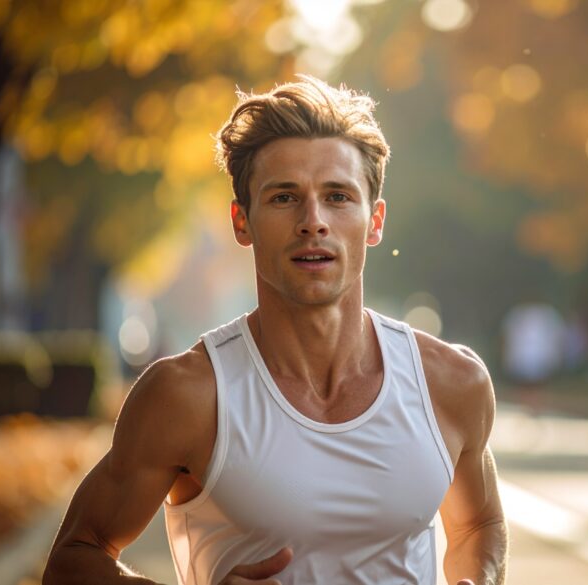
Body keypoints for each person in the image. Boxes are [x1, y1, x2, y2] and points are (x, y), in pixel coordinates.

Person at [44, 75, 508, 585]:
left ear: (374, 222)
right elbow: (73, 558)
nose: (313, 221)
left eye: (337, 196)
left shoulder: (450, 381)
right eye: (285, 198)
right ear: (242, 222)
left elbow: (478, 526)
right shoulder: (188, 395)